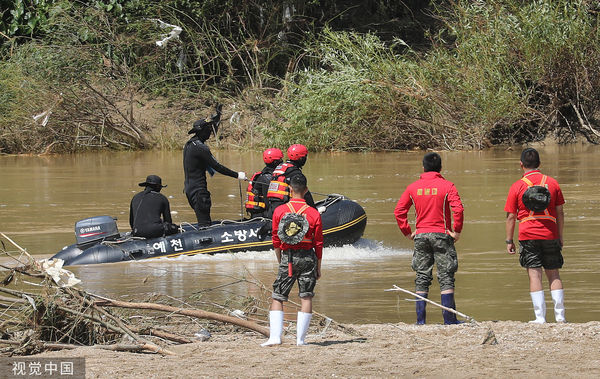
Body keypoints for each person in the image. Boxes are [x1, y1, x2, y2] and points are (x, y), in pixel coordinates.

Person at [394, 152, 464, 325]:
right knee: (446, 276)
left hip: (421, 235)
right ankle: (449, 320)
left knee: (422, 277)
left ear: (423, 167)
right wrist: (457, 231)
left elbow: (399, 212)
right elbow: (459, 210)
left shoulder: (412, 188)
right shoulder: (447, 186)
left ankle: (420, 322)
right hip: (442, 234)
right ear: (440, 168)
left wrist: (408, 232)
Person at [504, 147, 566, 323]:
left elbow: (511, 217)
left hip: (528, 234)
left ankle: (540, 318)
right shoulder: (552, 183)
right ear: (539, 164)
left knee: (534, 274)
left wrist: (509, 240)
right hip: (550, 233)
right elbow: (560, 213)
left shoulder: (517, 186)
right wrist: (560, 236)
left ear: (521, 164)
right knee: (554, 274)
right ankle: (560, 317)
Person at [261, 173, 323, 346]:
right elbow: (318, 242)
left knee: (278, 296)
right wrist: (319, 266)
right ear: (306, 190)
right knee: (306, 297)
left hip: (287, 258)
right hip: (308, 258)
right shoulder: (313, 213)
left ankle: (274, 338)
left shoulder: (280, 211)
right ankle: (301, 340)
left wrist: (280, 258)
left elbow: (275, 238)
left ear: (289, 190)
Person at [183, 105, 246, 227]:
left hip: (189, 190)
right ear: (202, 131)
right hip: (199, 191)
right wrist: (237, 175)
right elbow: (218, 167)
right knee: (205, 225)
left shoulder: (189, 145)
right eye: (209, 130)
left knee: (203, 221)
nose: (211, 133)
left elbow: (202, 165)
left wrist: (210, 168)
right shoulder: (201, 148)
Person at [266, 144, 318, 218]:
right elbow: (305, 194)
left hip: (272, 209)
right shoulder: (295, 172)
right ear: (301, 159)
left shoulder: (281, 167)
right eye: (305, 157)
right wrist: (314, 211)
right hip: (284, 210)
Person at [245, 148, 284, 219]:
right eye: (280, 160)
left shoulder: (268, 174)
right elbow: (268, 203)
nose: (282, 162)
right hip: (261, 215)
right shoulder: (267, 178)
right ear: (275, 162)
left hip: (261, 212)